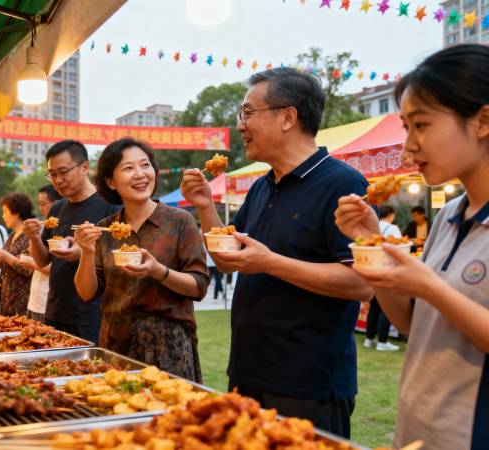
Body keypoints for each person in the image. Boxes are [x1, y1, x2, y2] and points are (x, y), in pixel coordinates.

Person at [180, 67, 373, 437]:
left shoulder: (343, 183)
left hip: (308, 382)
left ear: (287, 117)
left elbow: (362, 282)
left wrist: (271, 262)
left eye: (248, 113)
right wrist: (205, 206)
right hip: (249, 371)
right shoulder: (261, 187)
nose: (240, 125)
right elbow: (227, 260)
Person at [334, 44, 489, 450]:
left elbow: (433, 295)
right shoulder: (450, 215)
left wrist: (429, 286)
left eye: (421, 125)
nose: (409, 147)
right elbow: (411, 325)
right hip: (421, 430)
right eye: (406, 128)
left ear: (483, 120)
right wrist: (373, 245)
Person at [74, 138, 208, 382]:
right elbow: (86, 293)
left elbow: (199, 286)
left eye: (145, 165)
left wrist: (158, 271)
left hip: (167, 346)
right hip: (114, 344)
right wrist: (86, 251)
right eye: (128, 168)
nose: (140, 174)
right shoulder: (107, 229)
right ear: (110, 181)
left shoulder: (180, 221)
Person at [22, 140, 119, 343]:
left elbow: (118, 260)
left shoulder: (111, 206)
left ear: (84, 167)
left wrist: (83, 254)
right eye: (52, 174)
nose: (57, 180)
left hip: (91, 315)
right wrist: (32, 237)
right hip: (55, 309)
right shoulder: (56, 209)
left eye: (63, 172)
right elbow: (42, 261)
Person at [363, 206, 402, 352]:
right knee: (386, 307)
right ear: (391, 215)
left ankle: (369, 339)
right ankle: (382, 341)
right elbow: (399, 248)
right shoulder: (392, 228)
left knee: (374, 307)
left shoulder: (374, 225)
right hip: (387, 269)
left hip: (372, 268)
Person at [0, 193, 35, 316]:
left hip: (22, 298)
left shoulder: (30, 235)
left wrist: (4, 255)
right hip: (7, 297)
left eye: (5, 212)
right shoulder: (12, 235)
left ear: (16, 212)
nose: (3, 216)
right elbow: (0, 265)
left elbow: (28, 269)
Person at [23, 185, 61, 322]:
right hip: (35, 298)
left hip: (47, 300)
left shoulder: (63, 229)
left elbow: (56, 268)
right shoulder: (44, 227)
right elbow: (39, 257)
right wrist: (34, 238)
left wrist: (29, 263)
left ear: (58, 203)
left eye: (43, 204)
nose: (41, 208)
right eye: (39, 204)